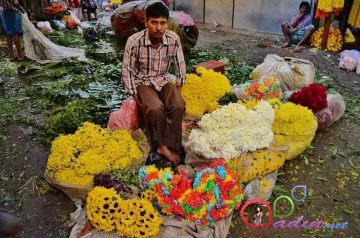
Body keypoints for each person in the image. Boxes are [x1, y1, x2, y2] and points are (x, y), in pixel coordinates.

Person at [122, 2, 186, 164]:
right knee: (156, 108)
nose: (159, 28)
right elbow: (127, 71)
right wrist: (137, 99)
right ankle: (162, 146)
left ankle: (172, 144)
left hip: (163, 79)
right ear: (146, 22)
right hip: (142, 82)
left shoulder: (173, 39)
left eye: (162, 23)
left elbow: (180, 67)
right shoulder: (134, 41)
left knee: (178, 105)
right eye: (154, 22)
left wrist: (176, 91)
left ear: (167, 23)